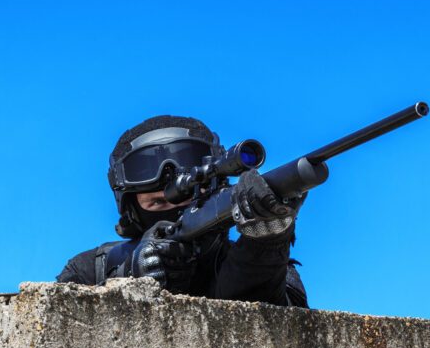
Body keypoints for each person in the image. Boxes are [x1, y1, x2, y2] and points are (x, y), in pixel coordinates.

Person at [56, 115, 307, 307]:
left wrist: (267, 243)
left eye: (188, 199)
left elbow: (284, 326)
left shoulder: (278, 268)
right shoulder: (90, 270)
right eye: (157, 203)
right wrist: (131, 282)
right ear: (132, 210)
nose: (176, 211)